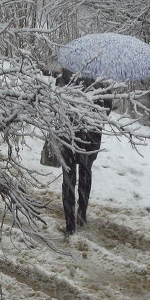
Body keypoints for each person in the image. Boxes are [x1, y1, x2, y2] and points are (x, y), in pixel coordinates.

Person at [55, 68, 112, 235]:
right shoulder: (102, 79)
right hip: (91, 136)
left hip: (69, 134)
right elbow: (107, 109)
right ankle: (81, 215)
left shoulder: (65, 75)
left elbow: (56, 102)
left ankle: (70, 224)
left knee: (69, 178)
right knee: (85, 173)